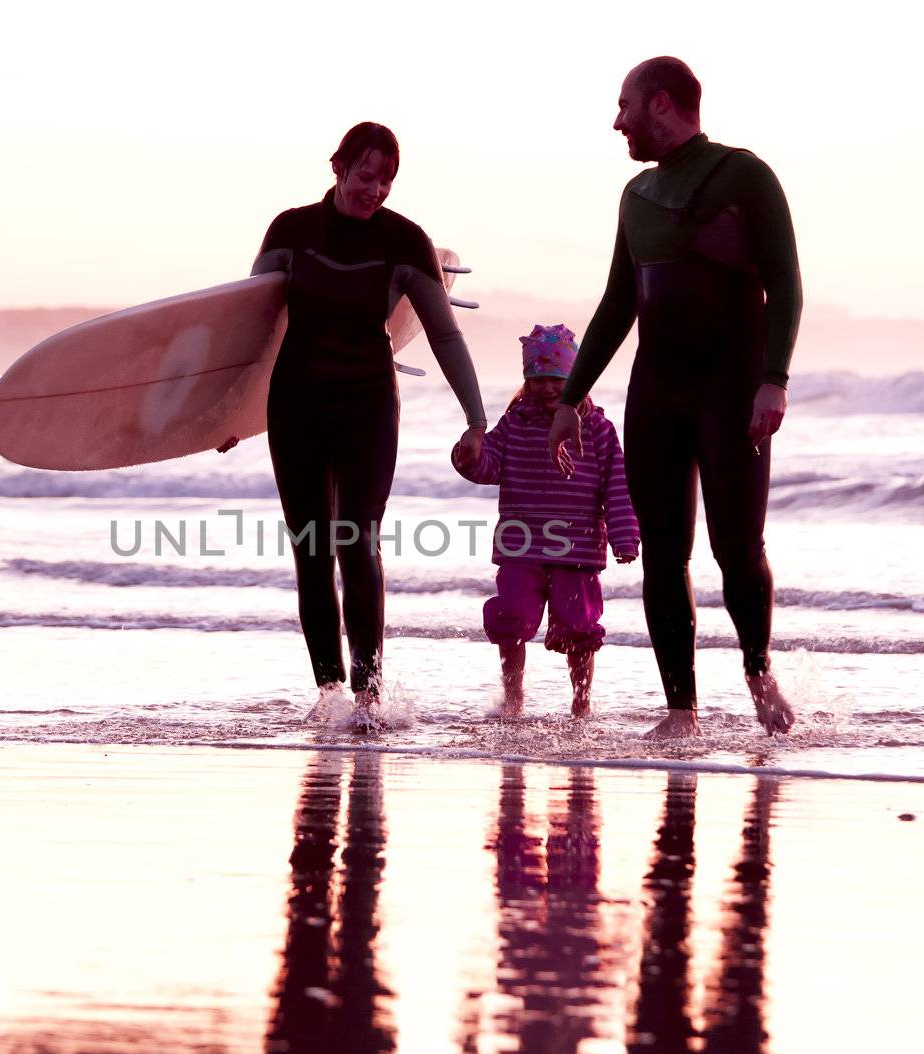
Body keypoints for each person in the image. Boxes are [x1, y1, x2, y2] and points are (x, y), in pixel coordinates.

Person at [547, 57, 803, 739]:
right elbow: (617, 304)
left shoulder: (744, 176)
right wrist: (572, 399)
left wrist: (773, 378)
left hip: (731, 392)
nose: (617, 119)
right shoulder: (635, 197)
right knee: (663, 551)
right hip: (656, 394)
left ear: (661, 103)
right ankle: (680, 709)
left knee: (737, 548)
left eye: (625, 104)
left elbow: (786, 285)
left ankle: (757, 670)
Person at [249, 122, 488, 731]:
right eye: (365, 174)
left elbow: (444, 334)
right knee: (311, 552)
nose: (375, 189)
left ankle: (370, 698)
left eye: (386, 179)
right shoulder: (291, 230)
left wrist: (475, 417)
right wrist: (229, 416)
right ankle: (331, 694)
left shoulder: (404, 241)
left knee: (359, 545)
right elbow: (247, 333)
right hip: (296, 404)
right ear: (338, 166)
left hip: (366, 407)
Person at [453, 325, 639, 719]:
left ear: (575, 380)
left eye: (557, 379)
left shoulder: (599, 431)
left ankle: (581, 702)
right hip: (521, 546)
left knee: (578, 628)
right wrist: (468, 455)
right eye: (537, 380)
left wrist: (625, 537)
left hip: (579, 550)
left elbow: (617, 488)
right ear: (526, 382)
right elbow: (490, 468)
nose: (548, 388)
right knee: (511, 616)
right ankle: (513, 696)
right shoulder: (515, 423)